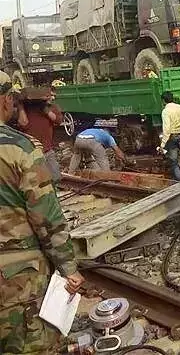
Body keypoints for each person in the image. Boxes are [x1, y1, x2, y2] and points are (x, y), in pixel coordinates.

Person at [0, 71, 85, 354]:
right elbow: (46, 217)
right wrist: (68, 268)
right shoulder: (18, 148)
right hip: (16, 276)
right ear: (5, 101)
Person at [16, 88, 64, 183]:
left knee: (56, 177)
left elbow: (58, 120)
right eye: (50, 95)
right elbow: (23, 123)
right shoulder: (26, 108)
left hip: (47, 150)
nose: (52, 97)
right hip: (31, 151)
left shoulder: (52, 107)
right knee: (36, 181)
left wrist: (45, 110)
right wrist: (20, 106)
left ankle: (54, 192)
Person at [159, 91, 180, 180]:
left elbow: (167, 129)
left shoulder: (166, 111)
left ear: (163, 101)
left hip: (173, 137)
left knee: (174, 161)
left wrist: (162, 145)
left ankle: (179, 180)